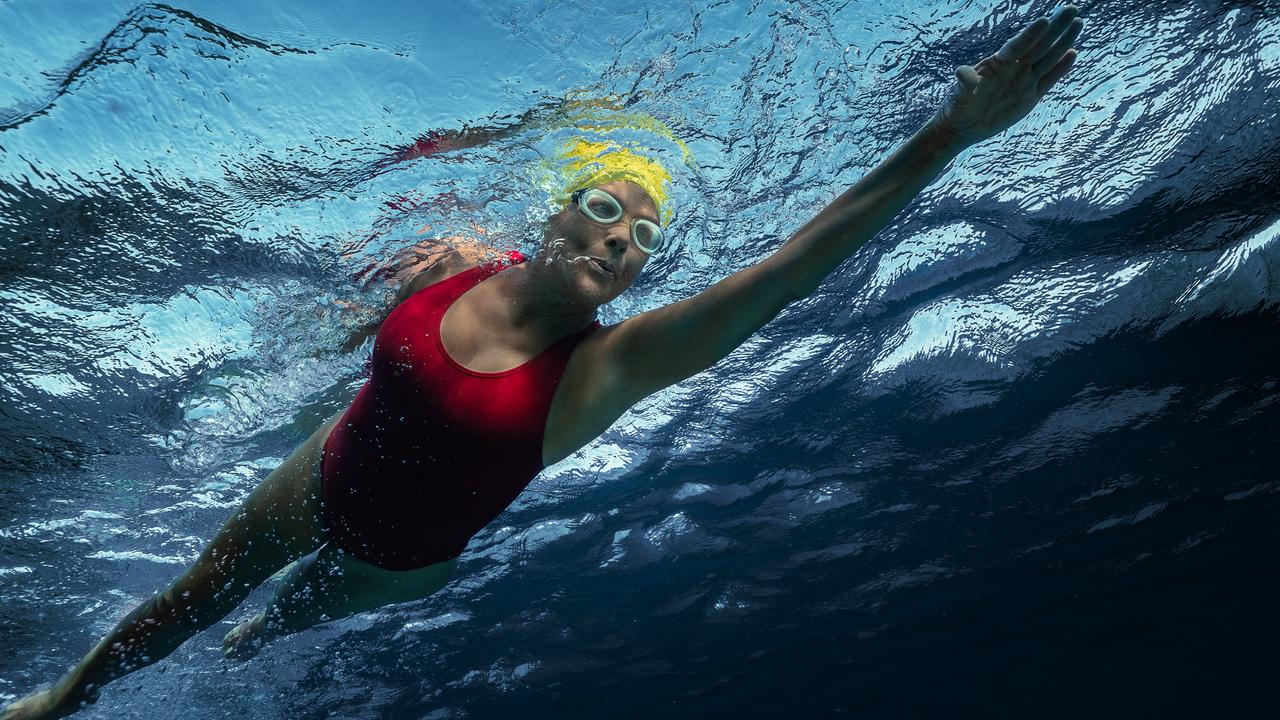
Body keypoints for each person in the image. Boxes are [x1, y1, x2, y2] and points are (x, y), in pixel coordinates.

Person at [2, 6, 1084, 718]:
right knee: (194, 593)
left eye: (643, 240)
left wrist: (944, 138)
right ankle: (58, 704)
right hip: (319, 472)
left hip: (397, 561)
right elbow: (368, 341)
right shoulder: (458, 259)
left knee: (255, 634)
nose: (622, 238)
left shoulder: (611, 369)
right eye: (609, 209)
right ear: (557, 211)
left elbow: (795, 264)